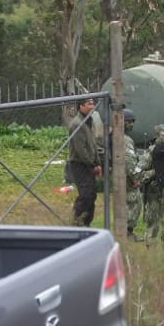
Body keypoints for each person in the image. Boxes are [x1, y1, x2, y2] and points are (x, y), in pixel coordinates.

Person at [67, 96, 102, 227]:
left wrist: (98, 163)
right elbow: (80, 149)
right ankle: (77, 222)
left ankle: (87, 223)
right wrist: (92, 165)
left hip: (89, 163)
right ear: (81, 106)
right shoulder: (77, 124)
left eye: (93, 104)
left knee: (92, 194)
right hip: (79, 164)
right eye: (89, 104)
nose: (92, 107)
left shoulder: (89, 121)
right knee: (86, 194)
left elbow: (92, 145)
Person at [120, 109, 147, 240]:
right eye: (129, 122)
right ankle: (128, 232)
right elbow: (129, 161)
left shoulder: (115, 135)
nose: (131, 124)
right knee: (134, 202)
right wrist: (136, 178)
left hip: (120, 175)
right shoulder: (126, 140)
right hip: (127, 177)